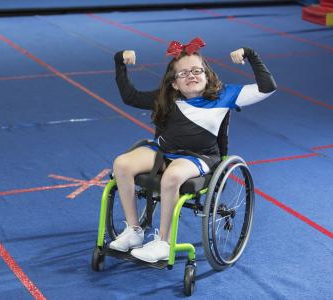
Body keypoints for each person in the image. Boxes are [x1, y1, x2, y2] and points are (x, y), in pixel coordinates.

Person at [108, 37, 277, 263]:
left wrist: (251, 54)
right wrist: (120, 61)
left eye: (197, 71)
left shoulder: (225, 95)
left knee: (173, 175)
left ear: (207, 76)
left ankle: (163, 243)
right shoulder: (167, 97)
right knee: (121, 163)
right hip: (163, 152)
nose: (191, 76)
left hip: (200, 158)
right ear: (174, 83)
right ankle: (134, 230)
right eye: (184, 73)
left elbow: (267, 87)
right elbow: (130, 97)